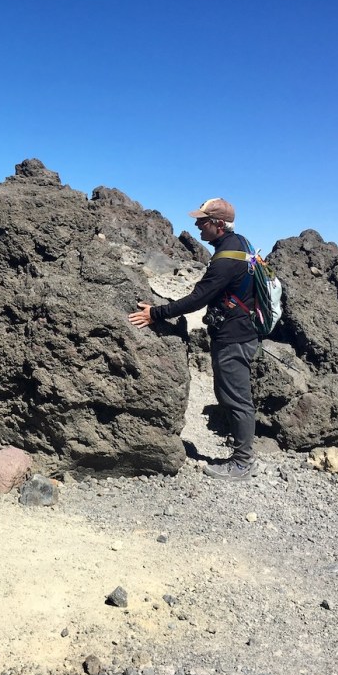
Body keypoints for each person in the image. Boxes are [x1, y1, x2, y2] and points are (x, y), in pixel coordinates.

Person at [127, 198, 260, 480]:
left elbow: (197, 299)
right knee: (234, 395)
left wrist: (157, 314)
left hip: (233, 337)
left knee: (236, 398)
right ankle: (242, 454)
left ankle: (243, 463)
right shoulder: (241, 245)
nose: (197, 225)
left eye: (203, 220)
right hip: (242, 330)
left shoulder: (225, 260)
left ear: (219, 225)